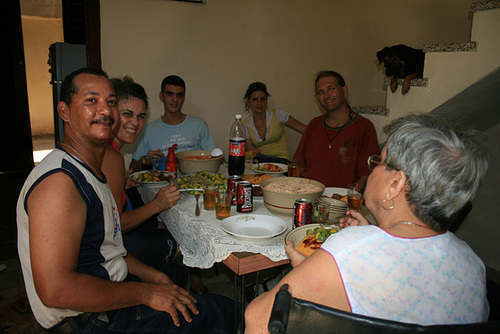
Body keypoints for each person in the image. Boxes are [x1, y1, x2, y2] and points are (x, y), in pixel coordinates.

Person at [16, 68, 236, 333]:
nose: (106, 110)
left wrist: (152, 276)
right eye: (91, 100)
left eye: (110, 102)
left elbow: (107, 247)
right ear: (64, 111)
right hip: (89, 322)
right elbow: (56, 291)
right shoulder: (59, 182)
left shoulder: (90, 171)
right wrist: (147, 293)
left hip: (104, 296)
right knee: (226, 311)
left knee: (175, 281)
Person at [245, 114, 490, 332]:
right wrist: (375, 234)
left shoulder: (351, 249)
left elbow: (257, 321)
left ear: (395, 185)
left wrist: (305, 269)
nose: (371, 169)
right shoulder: (473, 262)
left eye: (379, 162)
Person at [102, 76, 186, 286]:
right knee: (182, 242)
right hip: (109, 250)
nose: (135, 123)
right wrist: (157, 204)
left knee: (165, 226)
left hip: (110, 241)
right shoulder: (111, 157)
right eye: (127, 114)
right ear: (111, 112)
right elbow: (116, 225)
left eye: (140, 116)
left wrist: (122, 183)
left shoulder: (108, 150)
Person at [293, 70, 380, 189]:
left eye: (331, 89)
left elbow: (367, 174)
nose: (326, 95)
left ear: (344, 91)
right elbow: (298, 165)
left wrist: (349, 197)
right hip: (309, 197)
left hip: (342, 201)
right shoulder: (314, 125)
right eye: (320, 92)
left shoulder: (364, 127)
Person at [130, 75, 215, 171]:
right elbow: (132, 169)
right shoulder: (147, 130)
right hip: (162, 184)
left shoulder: (199, 125)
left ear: (184, 97)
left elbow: (214, 159)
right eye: (169, 94)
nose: (175, 99)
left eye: (179, 95)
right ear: (161, 96)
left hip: (195, 182)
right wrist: (146, 160)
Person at [242, 81, 306, 164]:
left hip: (283, 163)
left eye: (263, 99)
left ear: (266, 100)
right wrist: (253, 153)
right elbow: (250, 154)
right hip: (262, 166)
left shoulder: (278, 114)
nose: (259, 103)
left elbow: (306, 130)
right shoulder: (245, 124)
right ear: (248, 102)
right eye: (255, 99)